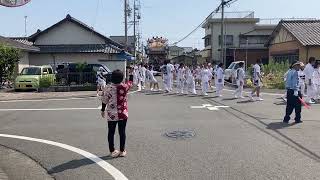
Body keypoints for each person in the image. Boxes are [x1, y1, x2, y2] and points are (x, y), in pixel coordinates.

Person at [100, 69, 133, 158]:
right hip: (123, 113)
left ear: (111, 78)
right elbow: (131, 82)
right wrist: (130, 74)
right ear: (122, 78)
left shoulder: (108, 88)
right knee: (122, 132)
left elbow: (104, 100)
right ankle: (122, 151)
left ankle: (112, 151)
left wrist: (102, 110)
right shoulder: (125, 87)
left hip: (112, 114)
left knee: (111, 132)